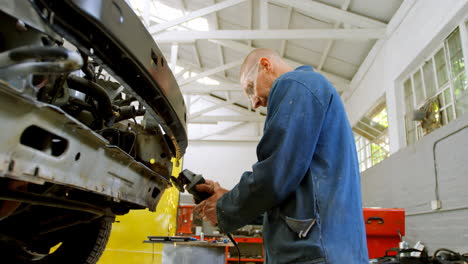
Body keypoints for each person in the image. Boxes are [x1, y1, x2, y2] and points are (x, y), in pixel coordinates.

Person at [194, 48, 369, 263]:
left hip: (313, 252)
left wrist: (224, 208)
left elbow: (275, 174)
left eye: (250, 89)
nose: (254, 102)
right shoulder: (314, 90)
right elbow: (285, 195)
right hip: (331, 250)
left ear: (266, 65)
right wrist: (226, 195)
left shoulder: (295, 84)